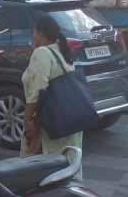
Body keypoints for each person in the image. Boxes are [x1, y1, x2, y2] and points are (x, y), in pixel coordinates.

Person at [21, 15, 83, 174]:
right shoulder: (61, 50)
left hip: (51, 121)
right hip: (68, 119)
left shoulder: (42, 52)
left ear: (41, 34)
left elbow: (38, 89)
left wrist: (27, 118)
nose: (32, 36)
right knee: (68, 164)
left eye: (34, 32)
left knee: (48, 168)